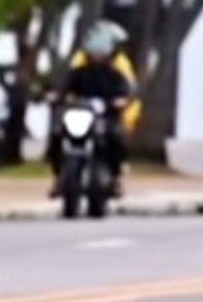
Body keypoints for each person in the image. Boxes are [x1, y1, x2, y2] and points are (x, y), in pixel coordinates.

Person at [47, 21, 138, 196]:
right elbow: (64, 87)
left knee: (115, 137)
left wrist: (121, 101)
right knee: (58, 135)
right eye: (94, 51)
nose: (97, 55)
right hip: (80, 115)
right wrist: (56, 96)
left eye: (101, 51)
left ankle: (116, 176)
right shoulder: (79, 71)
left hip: (105, 117)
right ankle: (59, 176)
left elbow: (127, 90)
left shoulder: (116, 73)